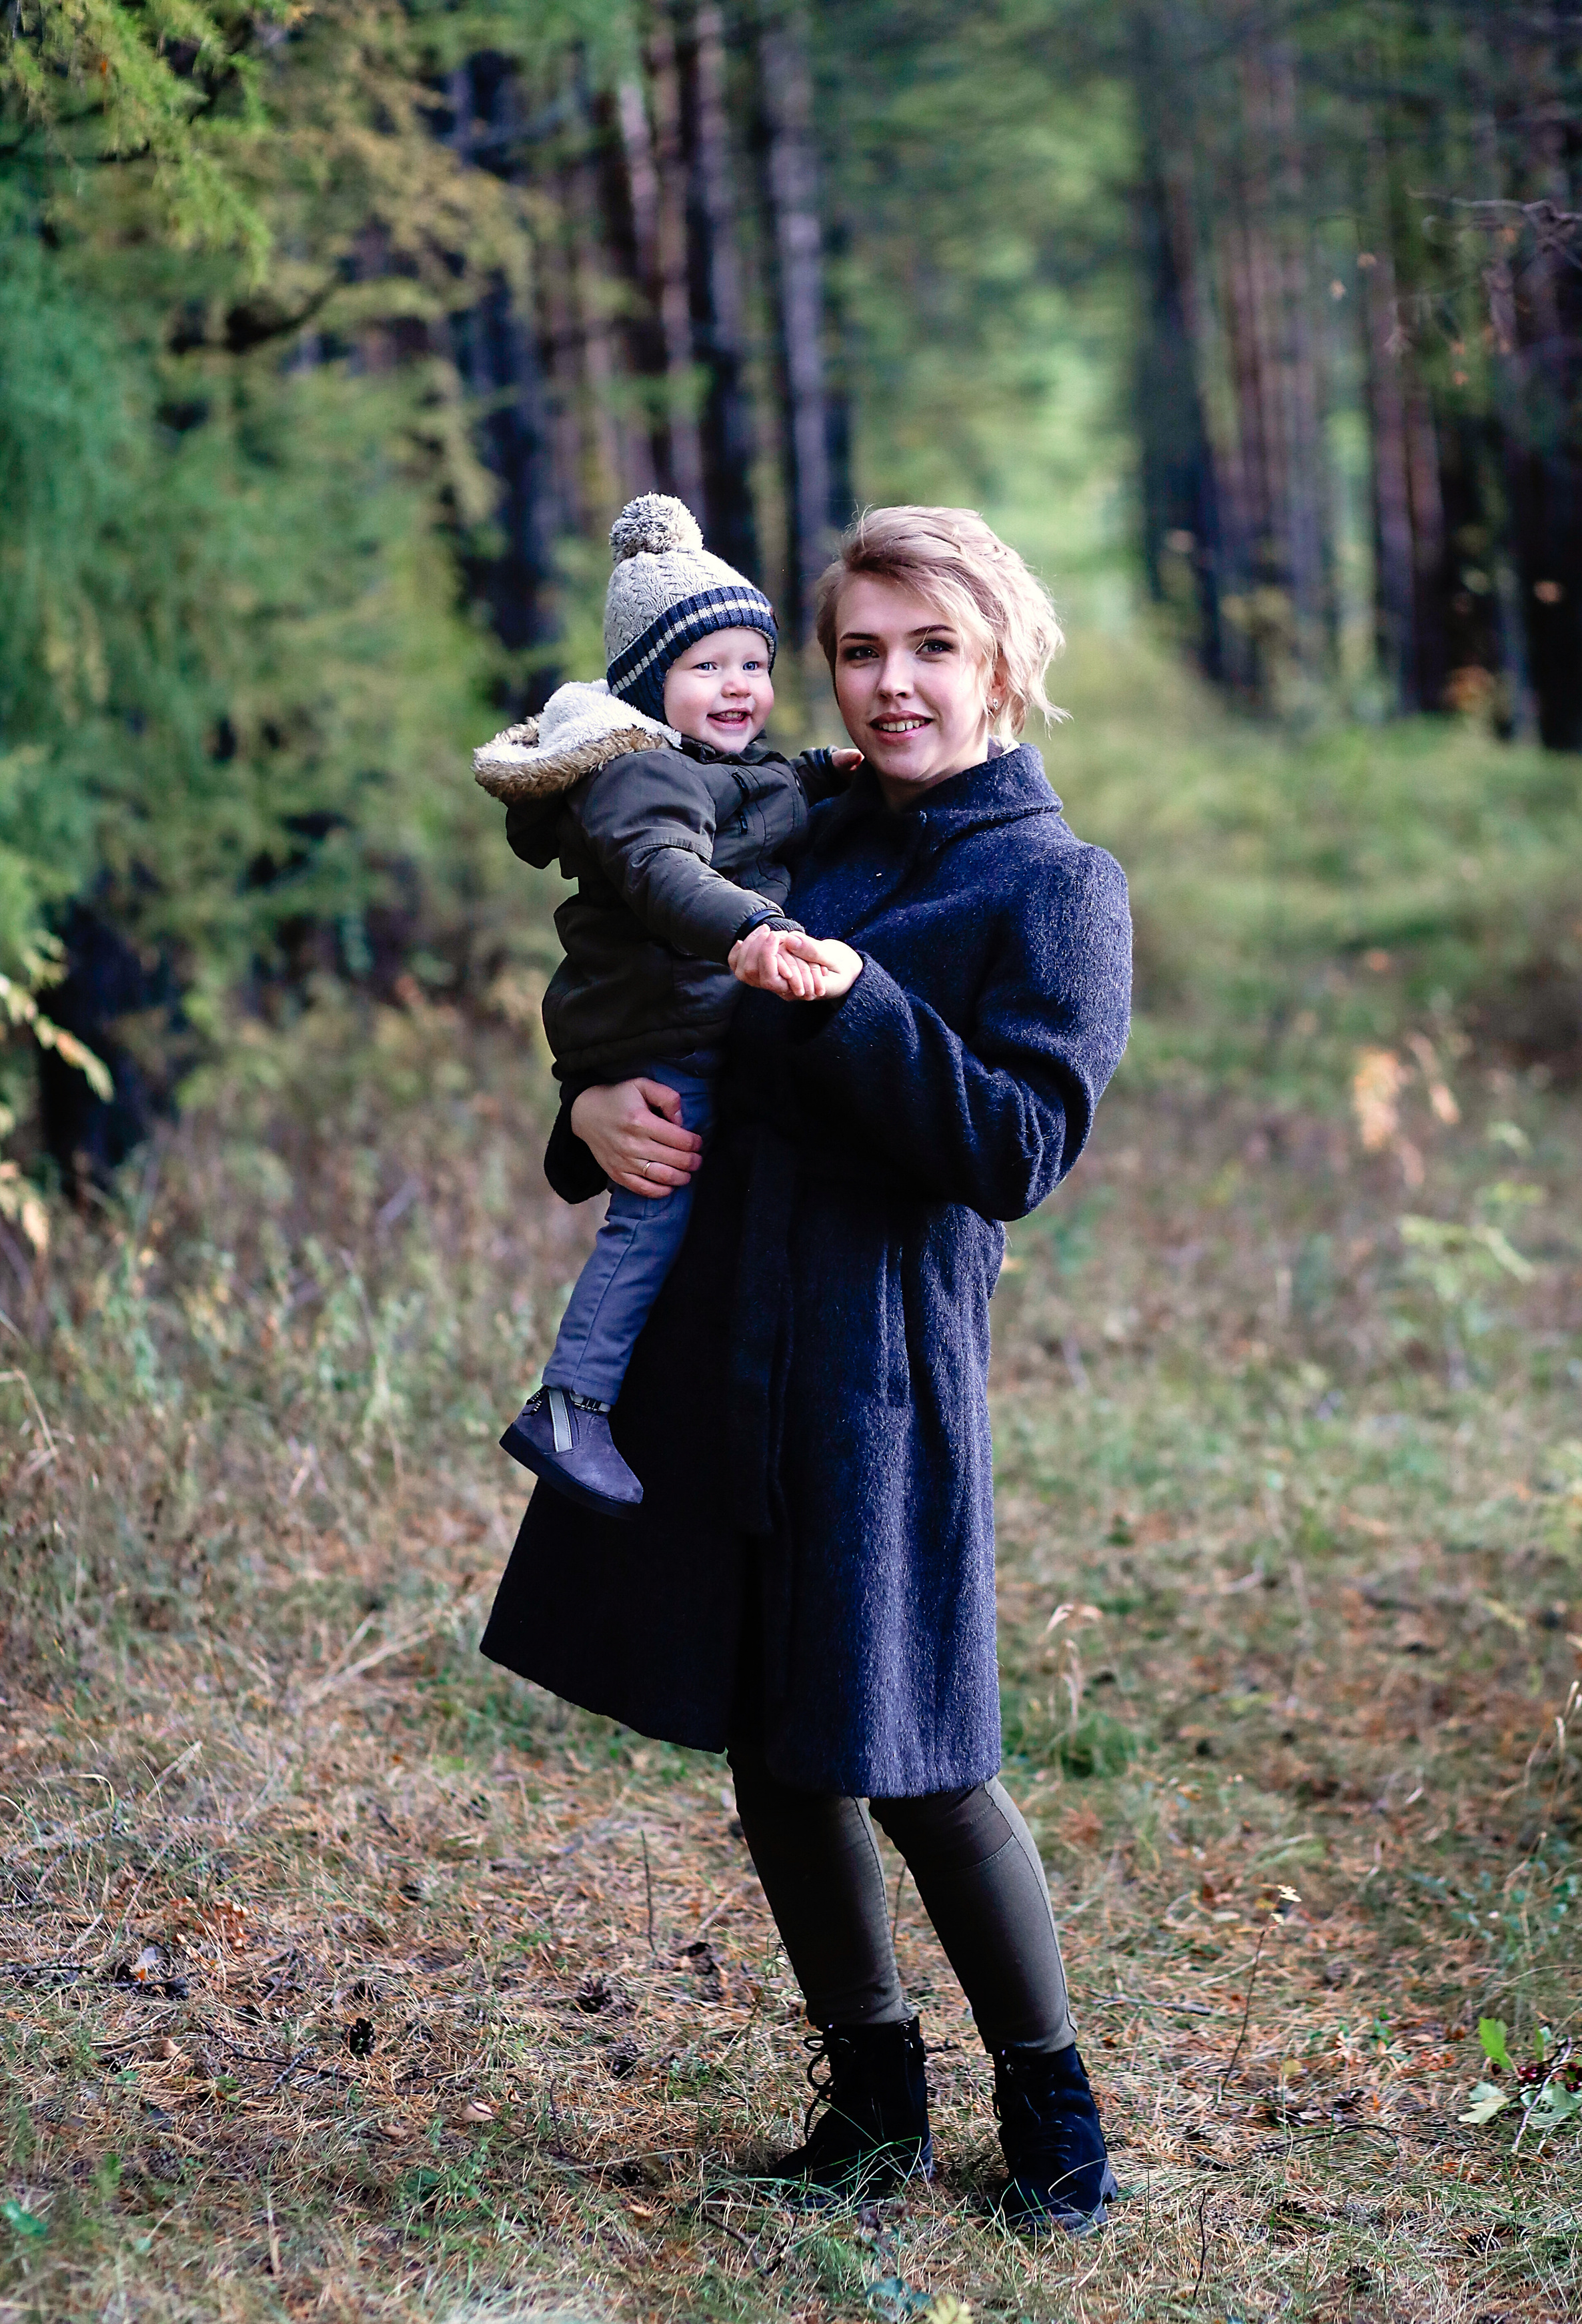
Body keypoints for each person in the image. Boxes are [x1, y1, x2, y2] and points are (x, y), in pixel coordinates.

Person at [480, 506, 1133, 2233]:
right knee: (776, 1740)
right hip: (722, 1343)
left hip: (880, 1365)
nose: (897, 683)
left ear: (1003, 656)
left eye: (934, 646)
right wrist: (590, 1111)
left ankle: (1053, 2100)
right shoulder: (803, 817)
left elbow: (1016, 1142)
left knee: (916, 1747)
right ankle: (873, 2100)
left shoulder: (1054, 885)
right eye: (865, 649)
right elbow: (649, 984)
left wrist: (861, 1004)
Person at [474, 494, 854, 1518]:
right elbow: (663, 872)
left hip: (677, 1021)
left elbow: (759, 794)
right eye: (708, 668)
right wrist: (748, 931)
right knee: (653, 1214)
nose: (739, 688)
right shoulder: (642, 782)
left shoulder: (700, 765)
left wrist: (823, 774)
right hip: (665, 1032)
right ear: (649, 684)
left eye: (753, 665)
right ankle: (571, 1401)